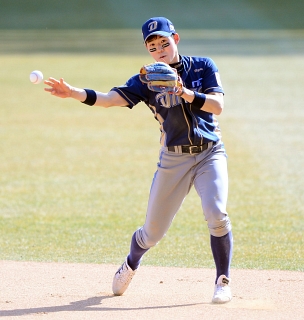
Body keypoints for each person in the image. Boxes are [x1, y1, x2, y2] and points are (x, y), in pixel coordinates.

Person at [44, 17, 234, 304]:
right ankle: (132, 261)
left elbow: (217, 105)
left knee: (216, 214)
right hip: (174, 160)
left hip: (210, 153)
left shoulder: (202, 66)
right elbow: (108, 99)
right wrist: (74, 93)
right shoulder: (145, 80)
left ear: (176, 39)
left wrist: (183, 91)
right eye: (153, 46)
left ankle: (222, 280)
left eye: (164, 43)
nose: (160, 50)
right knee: (152, 233)